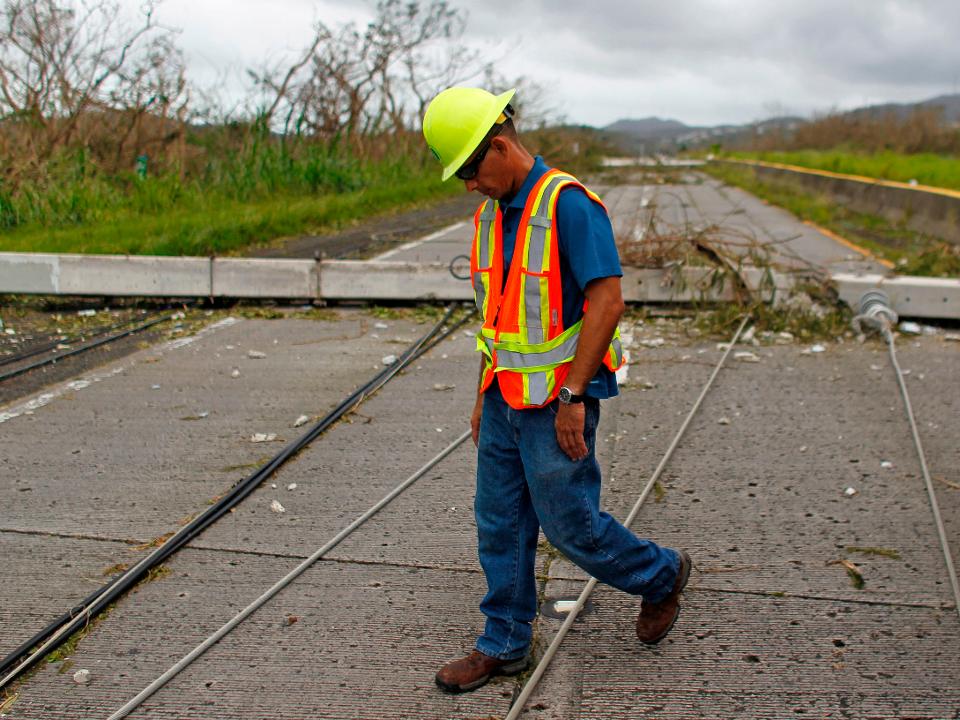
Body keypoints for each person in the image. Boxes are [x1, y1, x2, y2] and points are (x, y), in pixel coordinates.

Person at [422, 87, 691, 694]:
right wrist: (480, 394)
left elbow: (607, 301)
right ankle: (505, 642)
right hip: (502, 400)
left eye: (469, 169)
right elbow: (497, 320)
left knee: (573, 529)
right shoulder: (490, 218)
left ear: (499, 144)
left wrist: (572, 398)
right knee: (498, 523)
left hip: (556, 404)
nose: (468, 184)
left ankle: (662, 575)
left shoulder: (568, 205)